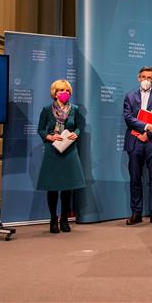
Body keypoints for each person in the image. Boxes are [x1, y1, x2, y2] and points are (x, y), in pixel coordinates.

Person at [37, 79, 86, 234]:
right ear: (54, 93)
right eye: (60, 90)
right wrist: (49, 137)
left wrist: (75, 134)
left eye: (66, 90)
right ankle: (53, 219)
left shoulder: (75, 109)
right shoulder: (46, 109)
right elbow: (40, 129)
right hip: (52, 151)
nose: (64, 93)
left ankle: (64, 219)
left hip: (69, 151)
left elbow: (79, 128)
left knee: (67, 188)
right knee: (52, 188)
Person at [123, 66, 152, 225]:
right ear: (138, 78)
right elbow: (128, 118)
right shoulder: (129, 96)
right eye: (143, 77)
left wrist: (148, 133)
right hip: (134, 141)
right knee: (135, 178)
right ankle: (136, 213)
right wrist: (146, 127)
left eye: (149, 78)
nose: (146, 80)